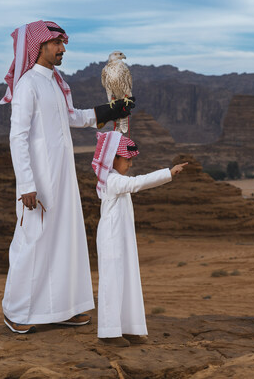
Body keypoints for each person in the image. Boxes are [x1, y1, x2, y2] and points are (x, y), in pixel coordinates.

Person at [0, 20, 135, 334]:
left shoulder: (55, 82)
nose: (62, 49)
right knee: (32, 240)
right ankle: (16, 311)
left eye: (63, 43)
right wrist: (26, 185)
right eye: (56, 44)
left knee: (65, 240)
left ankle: (61, 308)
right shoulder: (28, 84)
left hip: (62, 175)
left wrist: (112, 110)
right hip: (39, 180)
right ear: (39, 47)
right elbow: (17, 137)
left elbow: (72, 117)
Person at [91, 131, 187, 346]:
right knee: (113, 283)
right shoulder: (113, 180)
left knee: (128, 280)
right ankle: (109, 332)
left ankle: (129, 328)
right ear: (113, 159)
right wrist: (168, 173)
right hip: (112, 239)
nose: (131, 164)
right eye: (128, 159)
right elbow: (136, 184)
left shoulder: (115, 178)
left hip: (122, 238)